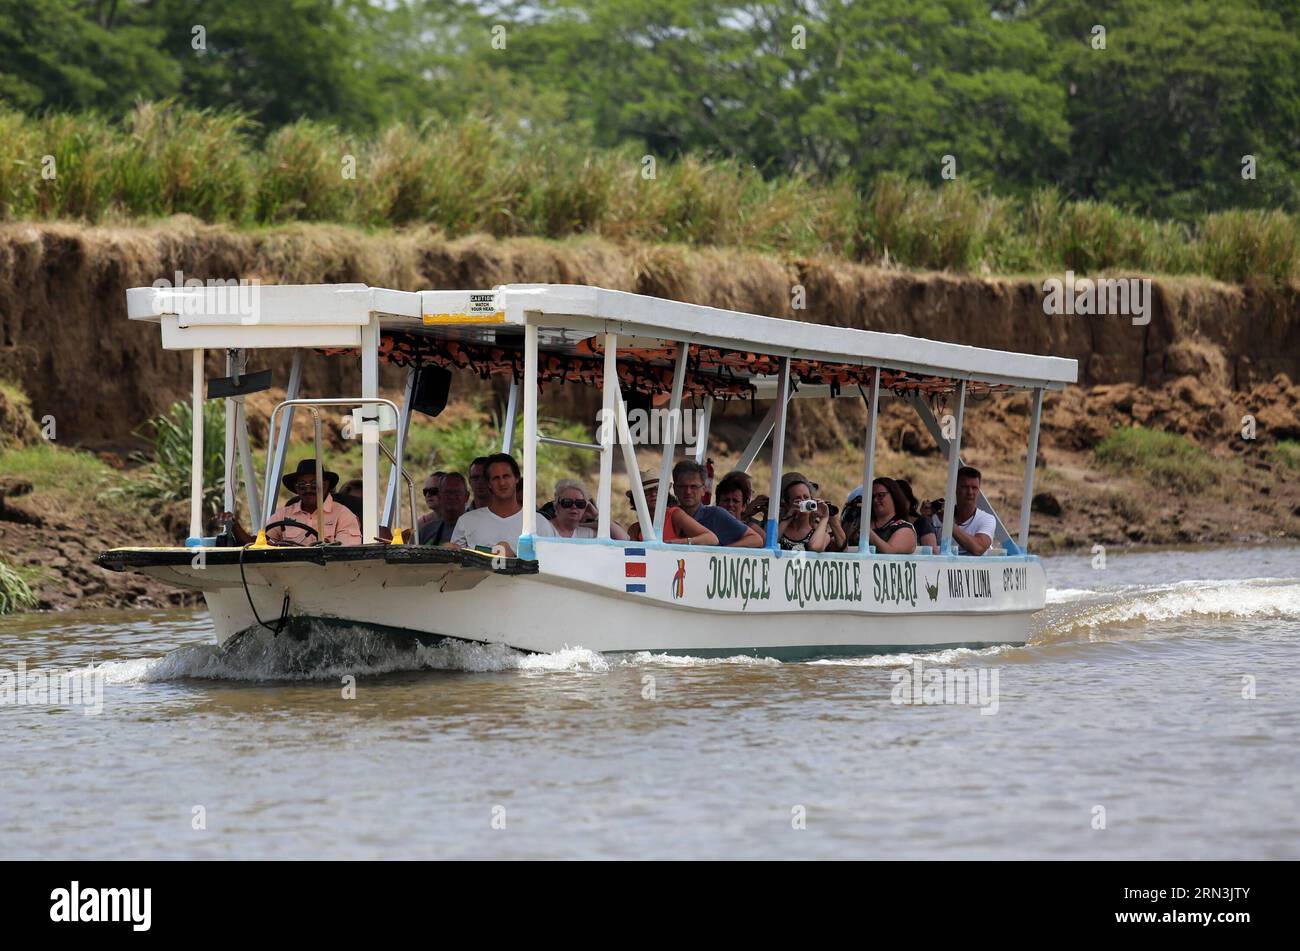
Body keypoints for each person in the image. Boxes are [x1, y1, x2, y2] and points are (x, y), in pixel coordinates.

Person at [222, 458, 361, 546]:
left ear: (325, 486)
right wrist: (234, 525)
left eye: (314, 484)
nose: (308, 490)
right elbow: (258, 545)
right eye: (302, 486)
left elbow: (346, 555)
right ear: (296, 489)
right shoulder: (283, 514)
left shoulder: (343, 514)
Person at [450, 453, 555, 556]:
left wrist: (513, 556)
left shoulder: (538, 523)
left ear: (517, 478)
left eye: (506, 476)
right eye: (496, 478)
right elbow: (453, 567)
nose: (502, 483)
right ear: (489, 484)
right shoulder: (466, 521)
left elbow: (550, 564)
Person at [671, 460, 761, 547]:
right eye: (683, 486)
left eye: (694, 486)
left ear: (704, 490)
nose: (688, 491)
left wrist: (722, 553)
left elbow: (755, 539)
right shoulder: (668, 515)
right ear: (675, 489)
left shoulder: (716, 515)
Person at [624, 473, 718, 546]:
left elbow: (711, 538)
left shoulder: (674, 515)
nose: (653, 494)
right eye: (646, 492)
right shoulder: (635, 529)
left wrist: (678, 543)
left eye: (657, 490)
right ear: (636, 498)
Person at [752, 472, 831, 552]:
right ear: (787, 504)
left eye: (806, 497)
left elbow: (815, 547)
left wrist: (825, 518)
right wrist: (789, 516)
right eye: (797, 498)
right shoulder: (779, 529)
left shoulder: (821, 534)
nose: (803, 501)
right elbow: (769, 543)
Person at [551, 479, 630, 540]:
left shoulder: (584, 532)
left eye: (580, 503)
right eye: (567, 502)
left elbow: (624, 539)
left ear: (586, 508)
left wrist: (597, 515)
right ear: (556, 506)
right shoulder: (544, 525)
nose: (574, 506)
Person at [948, 465, 995, 556]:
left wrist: (948, 524)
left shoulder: (987, 519)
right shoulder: (936, 517)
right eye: (965, 487)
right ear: (955, 488)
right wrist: (926, 518)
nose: (970, 492)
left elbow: (978, 548)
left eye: (974, 488)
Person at [866, 477, 918, 554]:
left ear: (894, 496)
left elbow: (889, 551)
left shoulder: (905, 529)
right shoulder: (859, 522)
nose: (875, 500)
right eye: (872, 496)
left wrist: (866, 531)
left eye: (880, 495)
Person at [419, 471, 468, 545]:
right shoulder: (426, 531)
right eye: (447, 492)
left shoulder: (479, 530)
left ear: (466, 496)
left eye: (457, 492)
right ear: (440, 496)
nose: (451, 496)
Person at [895, 478, 938, 550]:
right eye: (896, 502)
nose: (900, 505)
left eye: (903, 501)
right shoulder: (884, 523)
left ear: (910, 501)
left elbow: (933, 553)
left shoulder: (922, 524)